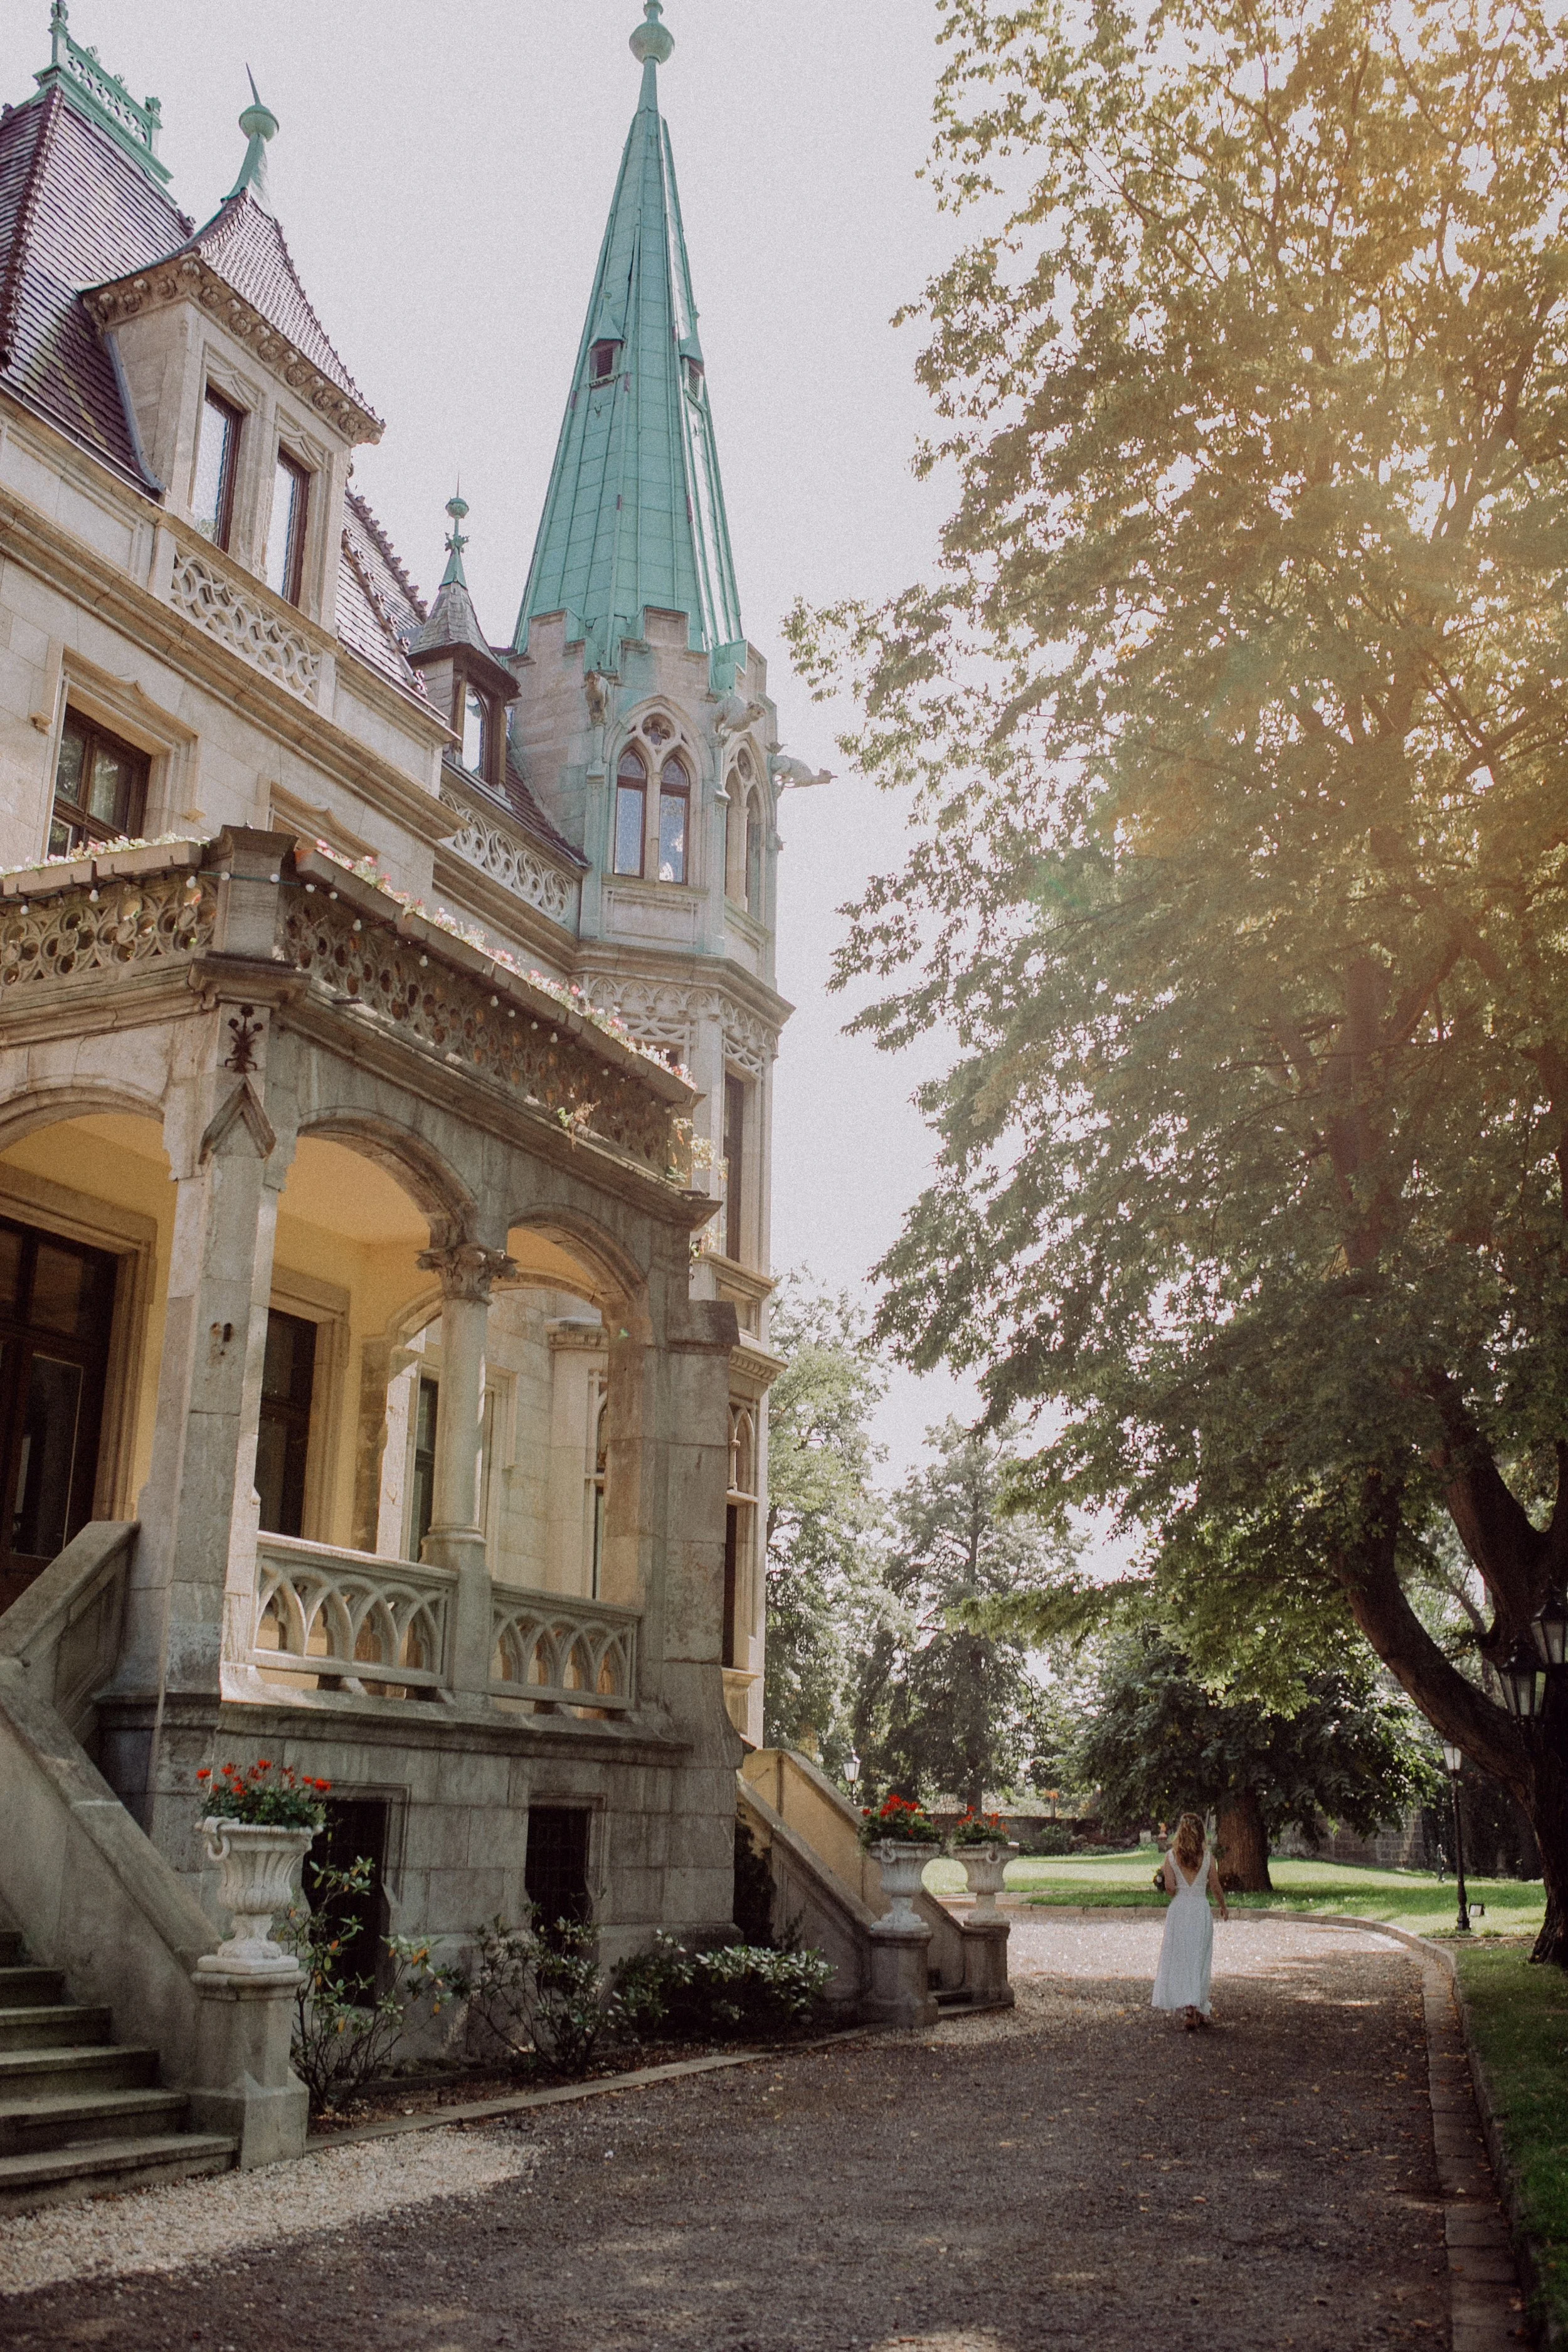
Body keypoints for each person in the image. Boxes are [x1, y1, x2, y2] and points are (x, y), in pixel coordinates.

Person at [1152, 1811, 1228, 2030]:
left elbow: (1170, 1889)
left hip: (1180, 1910)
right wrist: (1223, 1907)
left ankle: (1191, 2008)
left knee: (1182, 1958)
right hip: (1200, 1910)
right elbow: (1215, 1885)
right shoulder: (1208, 1858)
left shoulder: (1171, 1857)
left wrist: (1166, 1881)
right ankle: (1198, 2005)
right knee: (1200, 1959)